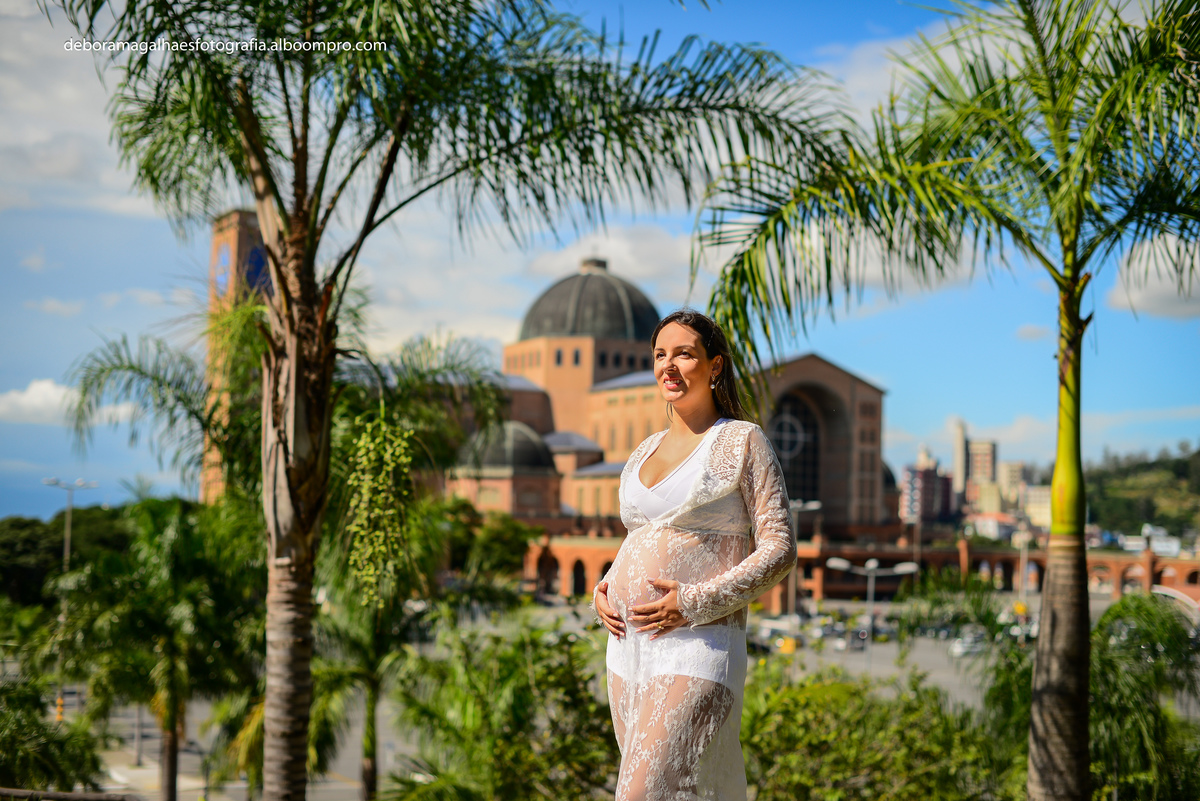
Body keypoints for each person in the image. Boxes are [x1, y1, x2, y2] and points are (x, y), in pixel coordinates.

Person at [593, 309, 796, 801]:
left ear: (715, 365)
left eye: (684, 353)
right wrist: (606, 585)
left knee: (639, 793)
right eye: (660, 355)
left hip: (699, 641)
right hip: (628, 648)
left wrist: (694, 601)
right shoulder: (644, 450)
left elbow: (780, 547)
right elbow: (639, 535)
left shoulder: (742, 440)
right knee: (666, 792)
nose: (669, 366)